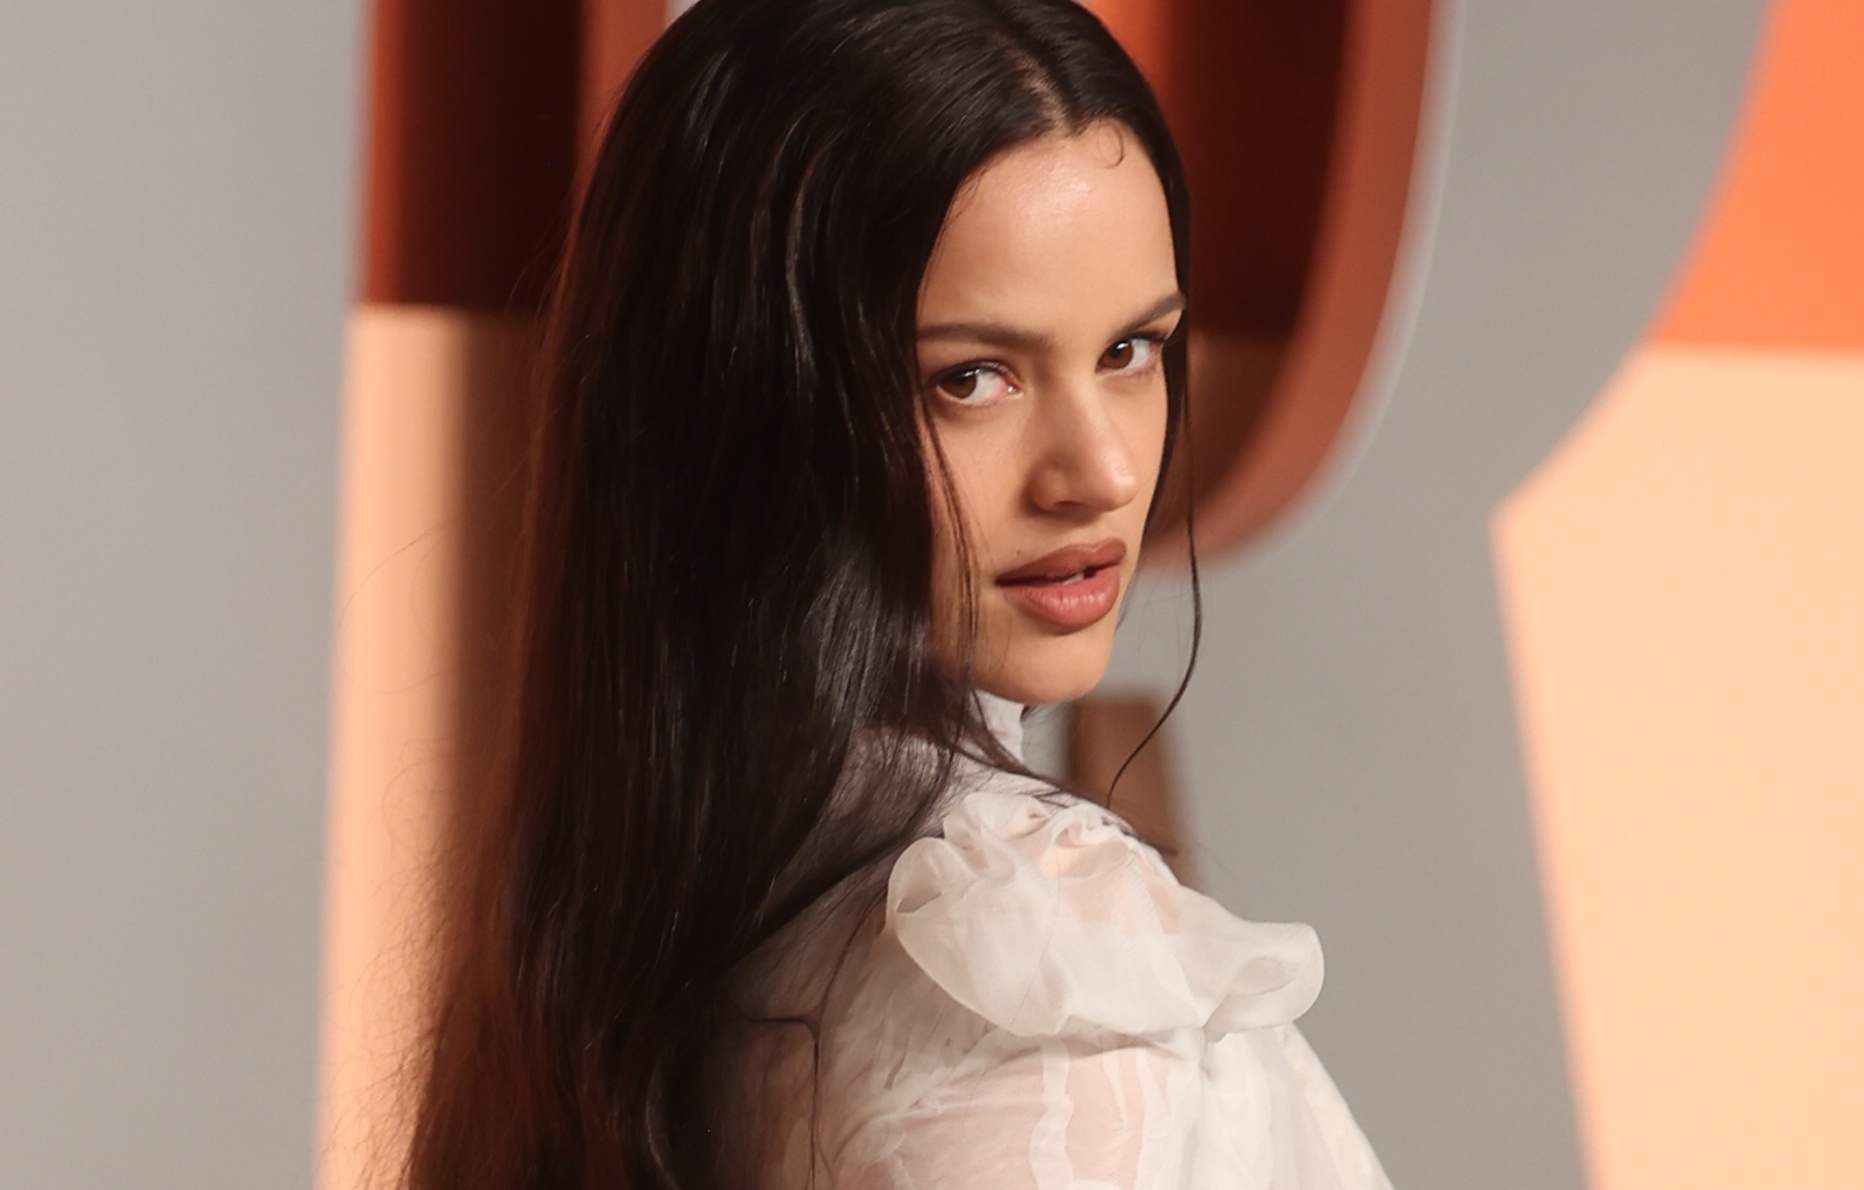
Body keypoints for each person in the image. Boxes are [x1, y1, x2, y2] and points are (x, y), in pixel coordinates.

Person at [407, 1, 1391, 1187]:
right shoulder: (1037, 963)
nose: (1104, 472)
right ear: (748, 410)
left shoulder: (631, 917)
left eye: (1130, 352)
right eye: (972, 377)